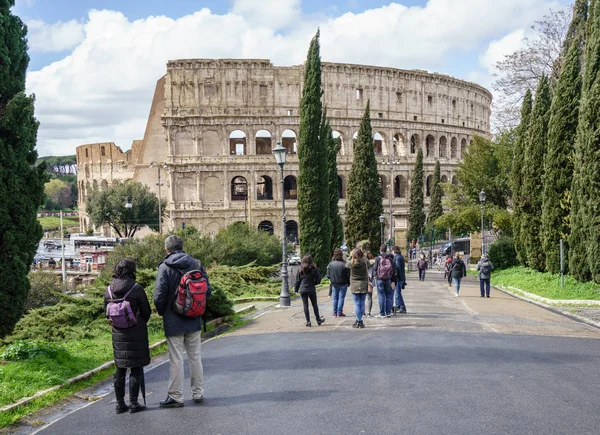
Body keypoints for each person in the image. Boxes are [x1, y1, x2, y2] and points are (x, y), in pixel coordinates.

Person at [154, 235, 212, 408]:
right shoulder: (196, 263)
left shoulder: (165, 267)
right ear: (182, 246)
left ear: (167, 249)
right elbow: (207, 289)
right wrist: (198, 307)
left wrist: (161, 310)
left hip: (173, 320)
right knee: (195, 357)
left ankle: (176, 396)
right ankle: (198, 392)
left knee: (176, 359)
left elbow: (159, 294)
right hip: (194, 317)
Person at [104, 258, 152, 414]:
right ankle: (133, 403)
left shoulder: (109, 290)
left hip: (118, 334)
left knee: (120, 367)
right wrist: (137, 322)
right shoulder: (136, 289)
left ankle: (119, 404)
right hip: (136, 332)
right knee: (136, 367)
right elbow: (147, 312)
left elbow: (106, 313)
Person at [294, 254, 325, 327]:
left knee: (305, 305)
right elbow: (319, 278)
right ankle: (318, 319)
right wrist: (315, 283)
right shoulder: (313, 269)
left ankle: (308, 321)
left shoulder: (300, 270)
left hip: (303, 289)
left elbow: (297, 281)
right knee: (314, 305)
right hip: (311, 288)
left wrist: (296, 289)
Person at [347, 248, 369, 328]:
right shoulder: (365, 262)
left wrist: (350, 256)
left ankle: (358, 320)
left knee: (356, 303)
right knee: (362, 302)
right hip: (363, 283)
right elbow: (369, 263)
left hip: (354, 284)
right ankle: (360, 320)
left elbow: (346, 264)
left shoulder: (351, 263)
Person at [372, 244, 395, 318]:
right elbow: (393, 270)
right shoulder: (390, 258)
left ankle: (382, 313)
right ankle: (388, 312)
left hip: (379, 279)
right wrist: (392, 280)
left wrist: (375, 276)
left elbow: (375, 268)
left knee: (381, 295)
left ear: (380, 249)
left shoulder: (378, 258)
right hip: (388, 279)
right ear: (386, 249)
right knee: (388, 296)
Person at [326, 248, 350, 317]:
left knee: (335, 298)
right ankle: (339, 312)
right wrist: (348, 283)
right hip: (343, 283)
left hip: (334, 284)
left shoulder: (331, 264)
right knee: (341, 298)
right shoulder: (345, 264)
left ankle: (334, 312)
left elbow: (328, 275)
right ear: (341, 255)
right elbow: (348, 275)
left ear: (334, 255)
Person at [392, 246, 407, 314]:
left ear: (394, 251)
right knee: (397, 293)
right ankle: (398, 306)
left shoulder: (397, 258)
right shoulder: (399, 257)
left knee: (397, 293)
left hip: (398, 278)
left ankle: (402, 307)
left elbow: (397, 268)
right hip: (401, 277)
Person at [365, 252, 376, 317]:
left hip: (363, 281)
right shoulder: (373, 264)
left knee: (362, 299)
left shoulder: (364, 263)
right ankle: (369, 312)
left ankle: (363, 312)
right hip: (370, 282)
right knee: (369, 298)